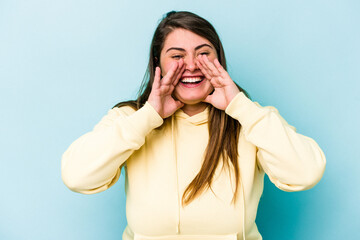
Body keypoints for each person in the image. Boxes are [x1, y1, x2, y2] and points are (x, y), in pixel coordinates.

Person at [61, 11, 326, 240]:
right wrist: (148, 116)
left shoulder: (250, 120)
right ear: (158, 65)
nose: (190, 66)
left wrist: (240, 106)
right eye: (177, 56)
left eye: (203, 54)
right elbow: (77, 177)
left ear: (218, 61)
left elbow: (306, 173)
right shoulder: (130, 118)